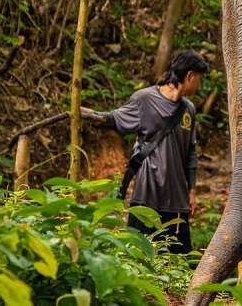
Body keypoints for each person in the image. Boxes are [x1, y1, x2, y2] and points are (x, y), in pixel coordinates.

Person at [89, 49, 208, 254]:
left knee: (177, 258)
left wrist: (192, 190)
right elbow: (113, 119)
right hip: (147, 193)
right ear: (189, 76)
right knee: (138, 254)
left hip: (177, 198)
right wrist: (84, 114)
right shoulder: (144, 99)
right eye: (199, 78)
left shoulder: (189, 109)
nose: (200, 84)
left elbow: (191, 152)